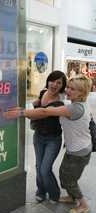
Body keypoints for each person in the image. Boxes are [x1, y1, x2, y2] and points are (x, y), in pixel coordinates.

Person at [3, 74, 92, 213]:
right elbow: (38, 106)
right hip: (72, 149)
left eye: (72, 89)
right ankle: (70, 196)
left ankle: (83, 205)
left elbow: (45, 111)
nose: (68, 91)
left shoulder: (73, 108)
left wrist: (20, 112)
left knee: (67, 179)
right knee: (62, 174)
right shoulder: (72, 102)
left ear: (82, 93)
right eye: (68, 87)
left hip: (78, 151)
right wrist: (25, 108)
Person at [30, 71, 67, 203]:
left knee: (45, 169)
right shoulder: (42, 92)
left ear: (62, 86)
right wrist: (37, 103)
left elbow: (40, 113)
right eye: (52, 80)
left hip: (53, 139)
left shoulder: (60, 103)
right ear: (48, 81)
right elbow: (39, 105)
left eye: (59, 83)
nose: (54, 84)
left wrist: (25, 112)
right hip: (38, 136)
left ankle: (54, 193)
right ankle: (41, 190)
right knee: (38, 166)